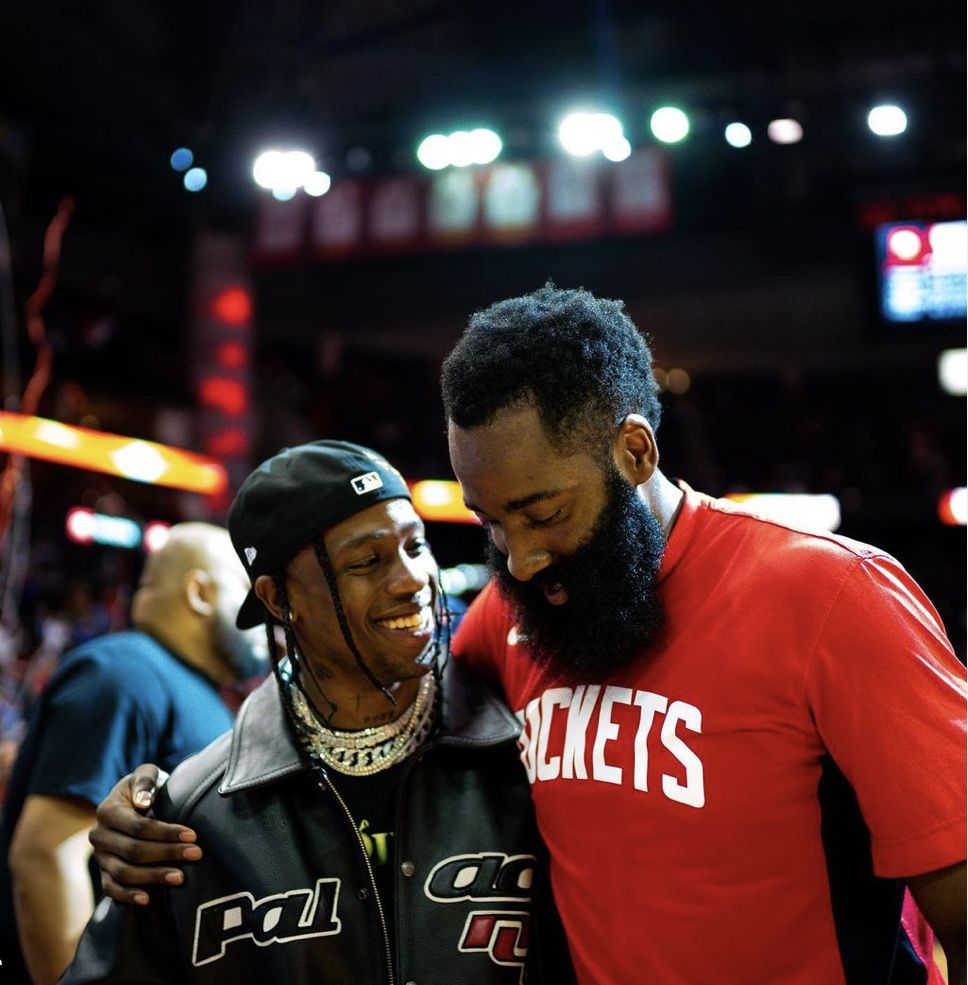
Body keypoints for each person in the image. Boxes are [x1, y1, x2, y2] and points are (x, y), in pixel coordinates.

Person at [88, 286, 966, 985]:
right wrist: (172, 795)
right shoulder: (514, 618)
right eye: (489, 521)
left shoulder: (832, 596)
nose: (523, 553)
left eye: (544, 511)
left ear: (634, 452)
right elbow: (366, 709)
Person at [61, 440, 572, 984]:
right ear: (279, 599)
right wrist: (167, 809)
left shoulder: (532, 751)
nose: (411, 580)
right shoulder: (192, 816)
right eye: (367, 561)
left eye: (415, 546)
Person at [0, 522, 267, 985]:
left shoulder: (185, 687)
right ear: (200, 592)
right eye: (245, 587)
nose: (264, 609)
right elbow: (46, 854)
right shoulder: (126, 673)